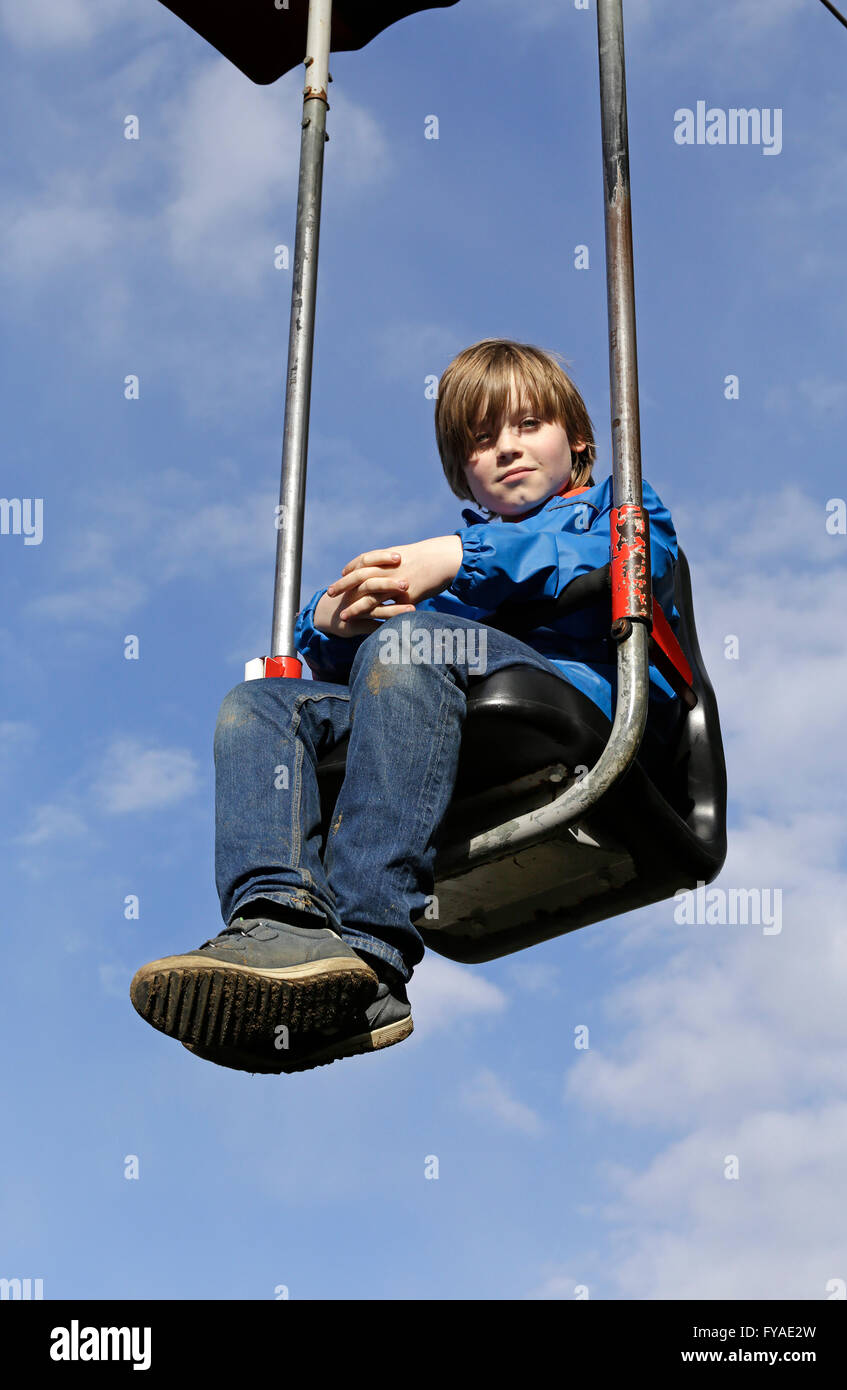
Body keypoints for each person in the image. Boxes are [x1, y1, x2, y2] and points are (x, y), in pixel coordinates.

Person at [129, 338, 684, 1075]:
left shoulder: (620, 507)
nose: (507, 450)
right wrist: (327, 628)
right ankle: (278, 921)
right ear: (464, 469)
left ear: (576, 440)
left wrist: (460, 558)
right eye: (482, 441)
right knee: (261, 705)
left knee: (415, 644)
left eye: (527, 427)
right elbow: (355, 667)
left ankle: (368, 946)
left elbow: (616, 559)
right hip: (437, 712)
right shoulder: (434, 589)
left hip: (572, 709)